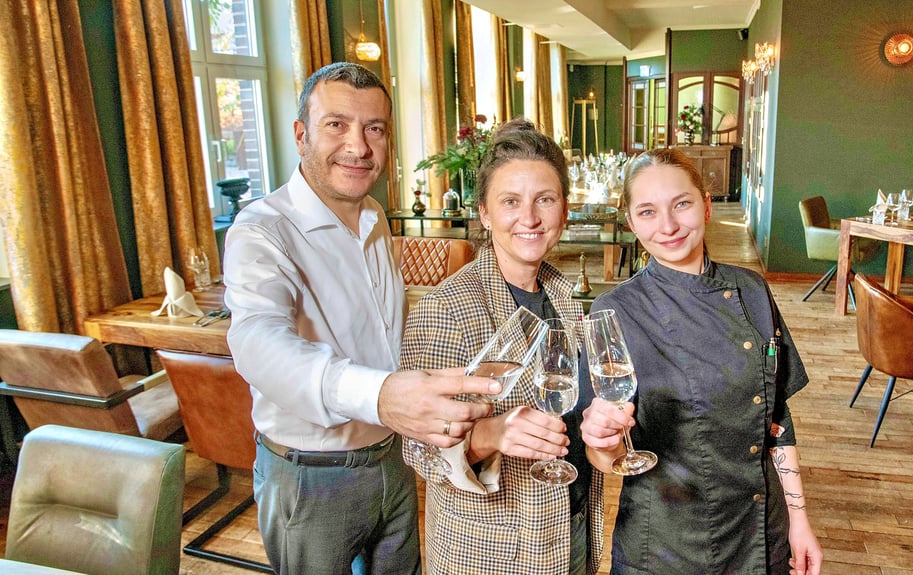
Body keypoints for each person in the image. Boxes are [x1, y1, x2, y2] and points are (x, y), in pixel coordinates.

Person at [223, 62, 499, 575]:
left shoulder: (374, 217)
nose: (359, 146)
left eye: (374, 128)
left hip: (392, 459)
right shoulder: (262, 230)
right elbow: (257, 341)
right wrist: (379, 395)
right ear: (302, 134)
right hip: (310, 476)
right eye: (337, 125)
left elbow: (381, 333)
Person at [580, 148, 823, 575]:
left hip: (761, 529)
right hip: (671, 545)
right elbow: (606, 456)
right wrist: (603, 442)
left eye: (682, 204)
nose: (669, 226)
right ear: (632, 223)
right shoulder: (615, 311)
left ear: (707, 206)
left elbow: (777, 418)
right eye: (648, 212)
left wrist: (799, 520)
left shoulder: (751, 289)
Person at [399, 118, 604, 575]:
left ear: (564, 211)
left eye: (544, 200)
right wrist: (493, 434)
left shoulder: (564, 296)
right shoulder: (446, 307)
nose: (529, 218)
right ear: (485, 213)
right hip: (494, 549)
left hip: (570, 527)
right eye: (510, 201)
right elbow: (416, 448)